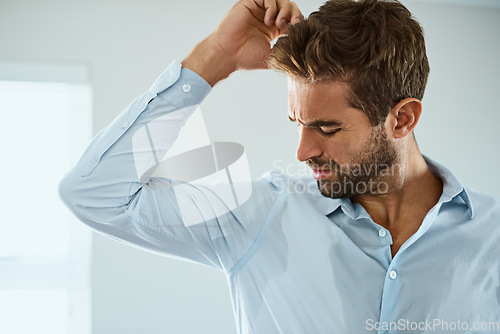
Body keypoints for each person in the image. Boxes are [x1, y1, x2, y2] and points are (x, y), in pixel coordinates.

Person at [59, 0, 500, 333]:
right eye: (298, 124)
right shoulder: (257, 217)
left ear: (401, 118)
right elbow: (94, 192)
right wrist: (218, 55)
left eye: (327, 128)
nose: (302, 151)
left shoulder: (493, 239)